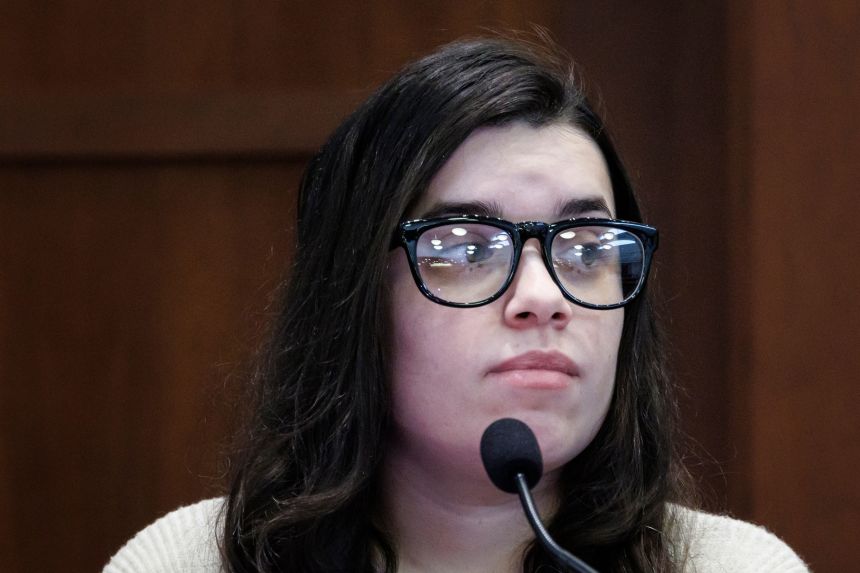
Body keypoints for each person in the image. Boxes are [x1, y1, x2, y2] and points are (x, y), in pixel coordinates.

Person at [104, 36, 809, 573]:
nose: (543, 298)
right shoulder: (190, 562)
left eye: (587, 248)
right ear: (356, 296)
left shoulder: (733, 567)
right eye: (468, 249)